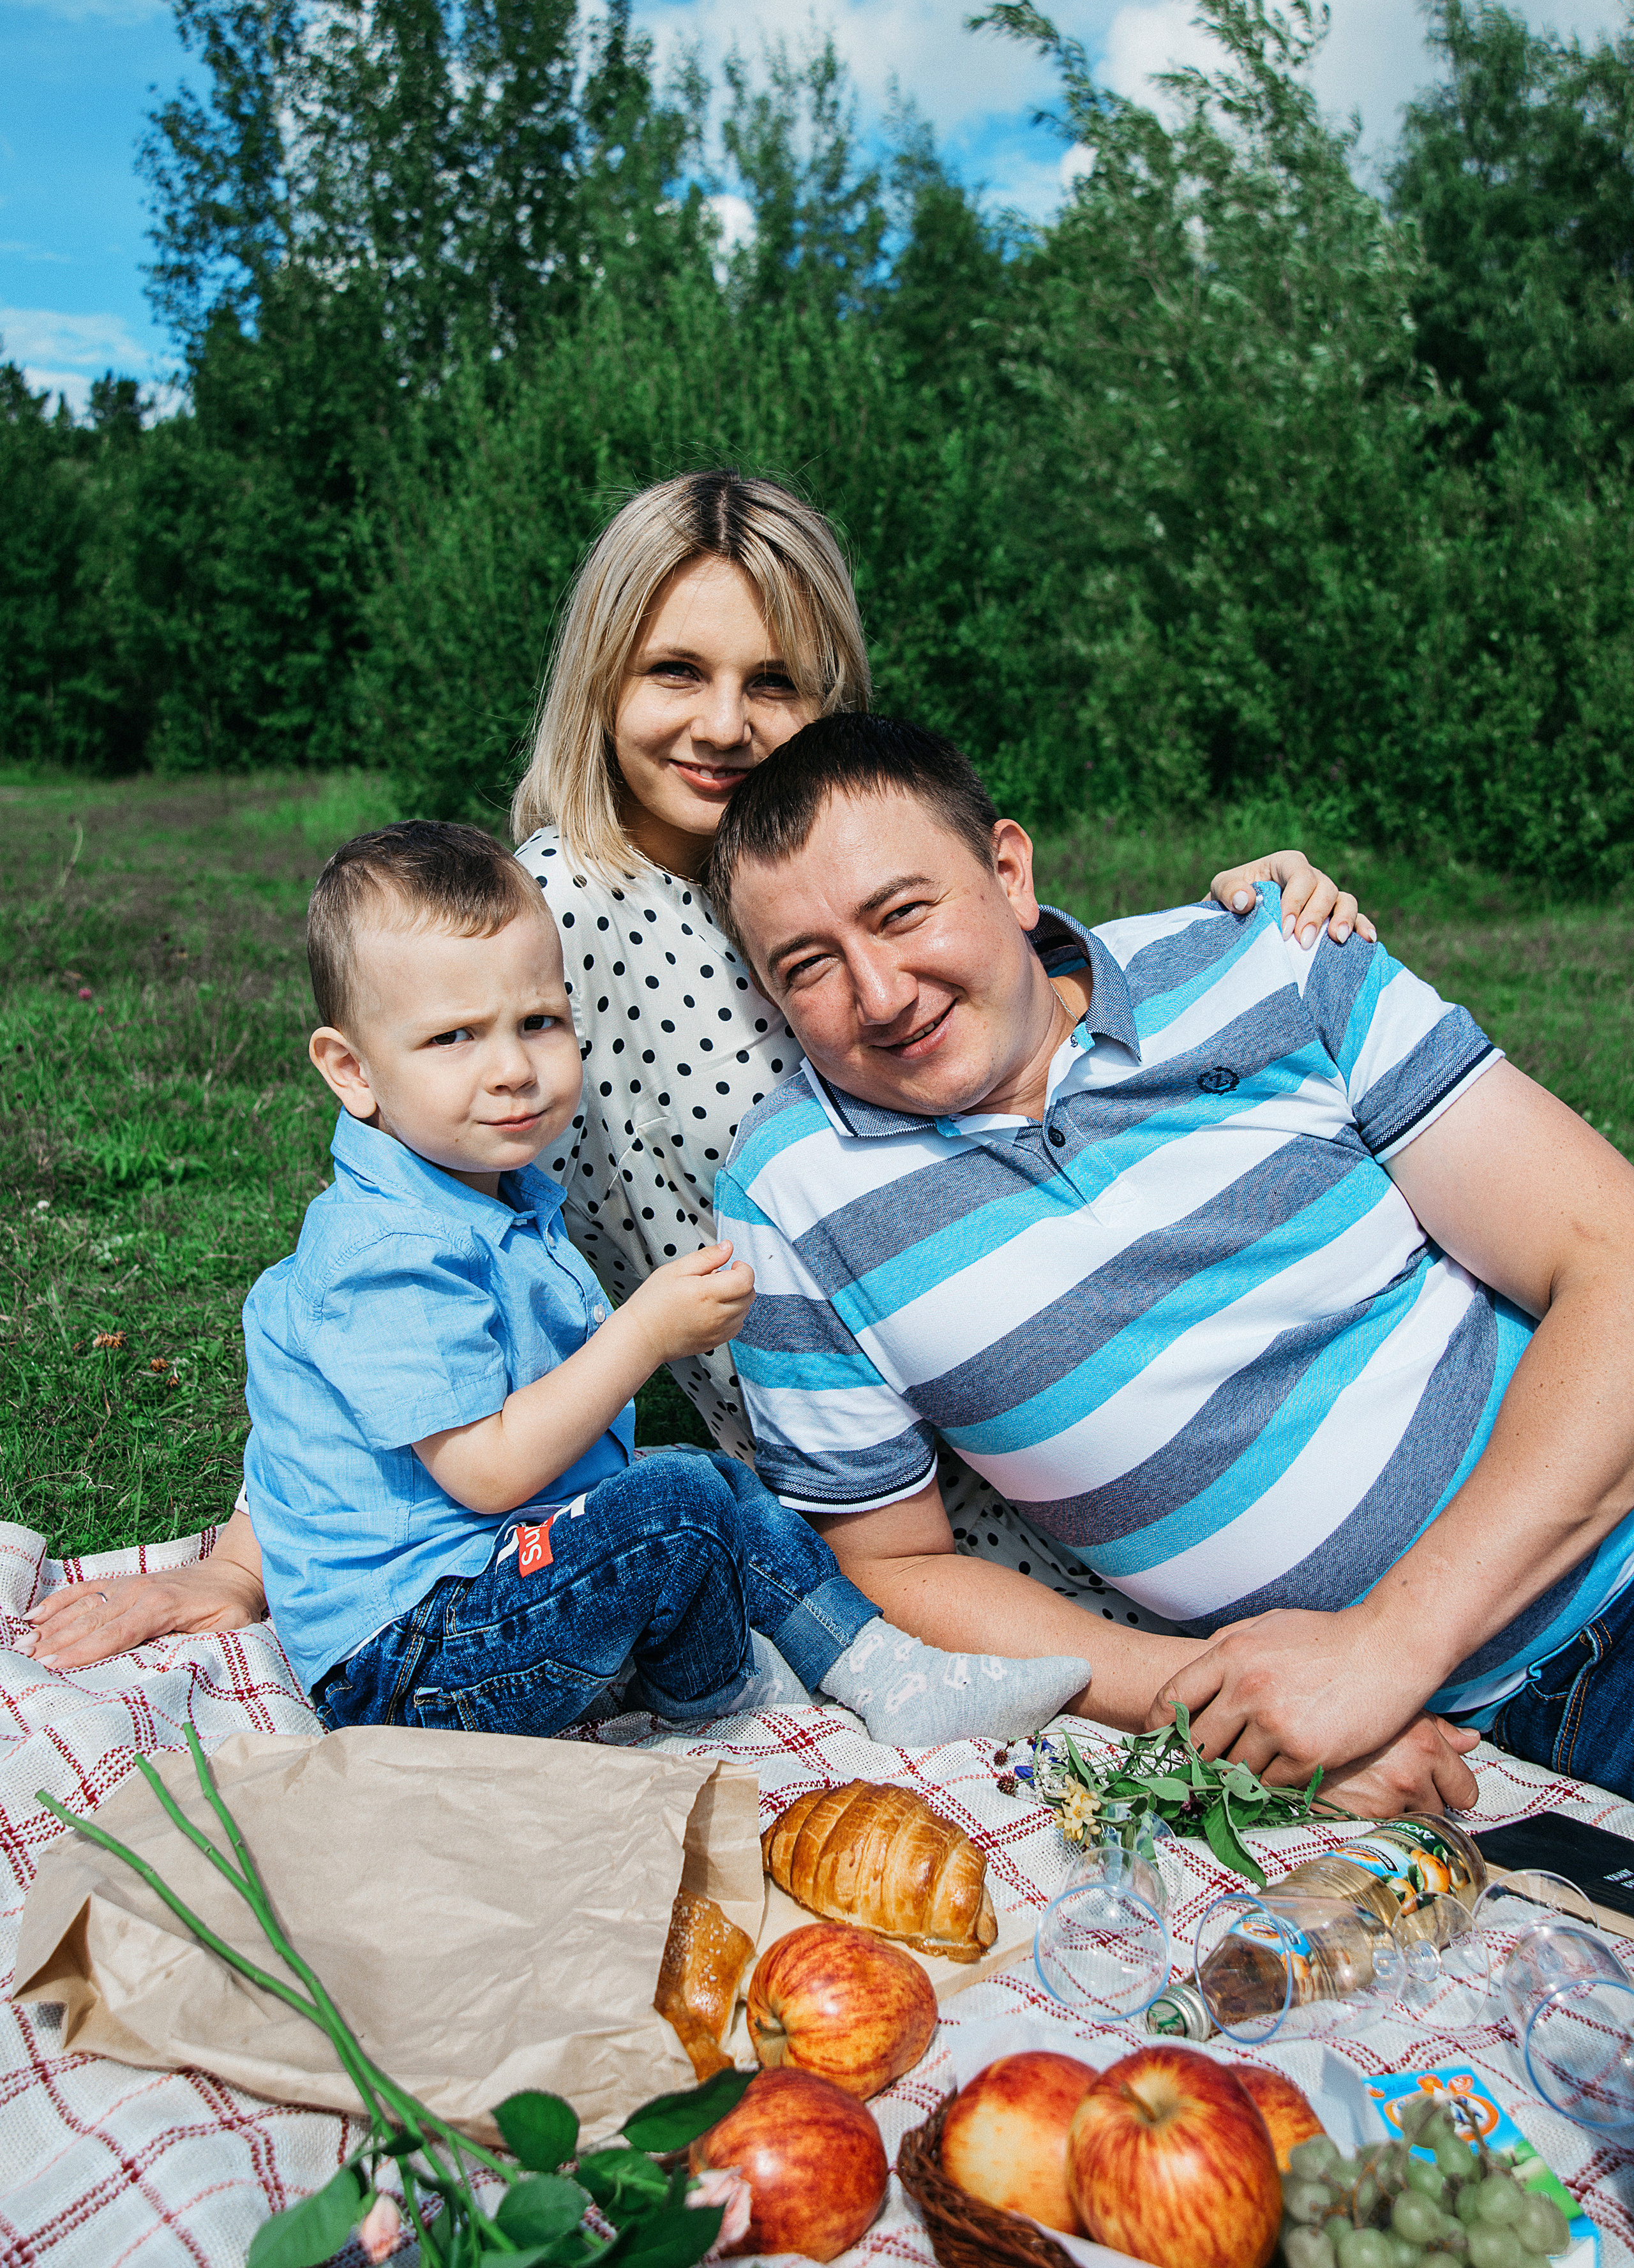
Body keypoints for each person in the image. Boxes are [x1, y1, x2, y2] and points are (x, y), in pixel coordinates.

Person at [24, 468, 1374, 1672]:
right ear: (601, 680)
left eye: (772, 682)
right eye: (676, 670)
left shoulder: (814, 877)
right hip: (896, 1515)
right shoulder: (568, 919)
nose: (723, 724)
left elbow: (1021, 1025)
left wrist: (1220, 928)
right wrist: (243, 1561)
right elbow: (404, 1258)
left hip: (1070, 1391)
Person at [708, 713, 1634, 1815]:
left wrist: (1388, 1647)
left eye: (903, 914)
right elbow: (892, 1566)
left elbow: (1610, 1253)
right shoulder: (791, 1198)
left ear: (1008, 871)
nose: (882, 995)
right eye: (807, 966)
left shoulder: (1269, 956)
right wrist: (1232, 1711)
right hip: (1446, 1744)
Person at [242, 817, 1094, 1743]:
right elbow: (486, 1473)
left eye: (539, 1022)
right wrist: (643, 1333)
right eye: (453, 1038)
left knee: (711, 1481)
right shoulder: (387, 1249)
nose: (513, 1070)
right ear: (351, 1070)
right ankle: (719, 1705)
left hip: (489, 1590)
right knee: (668, 1510)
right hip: (412, 1660)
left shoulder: (479, 1194)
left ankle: (884, 1672)